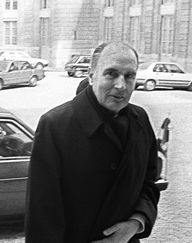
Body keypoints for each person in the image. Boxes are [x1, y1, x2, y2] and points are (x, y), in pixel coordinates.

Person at [25, 42, 160, 243]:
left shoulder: (140, 119)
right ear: (91, 75)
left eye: (129, 76)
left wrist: (136, 223)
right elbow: (42, 214)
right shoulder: (55, 125)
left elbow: (149, 182)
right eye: (111, 74)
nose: (121, 85)